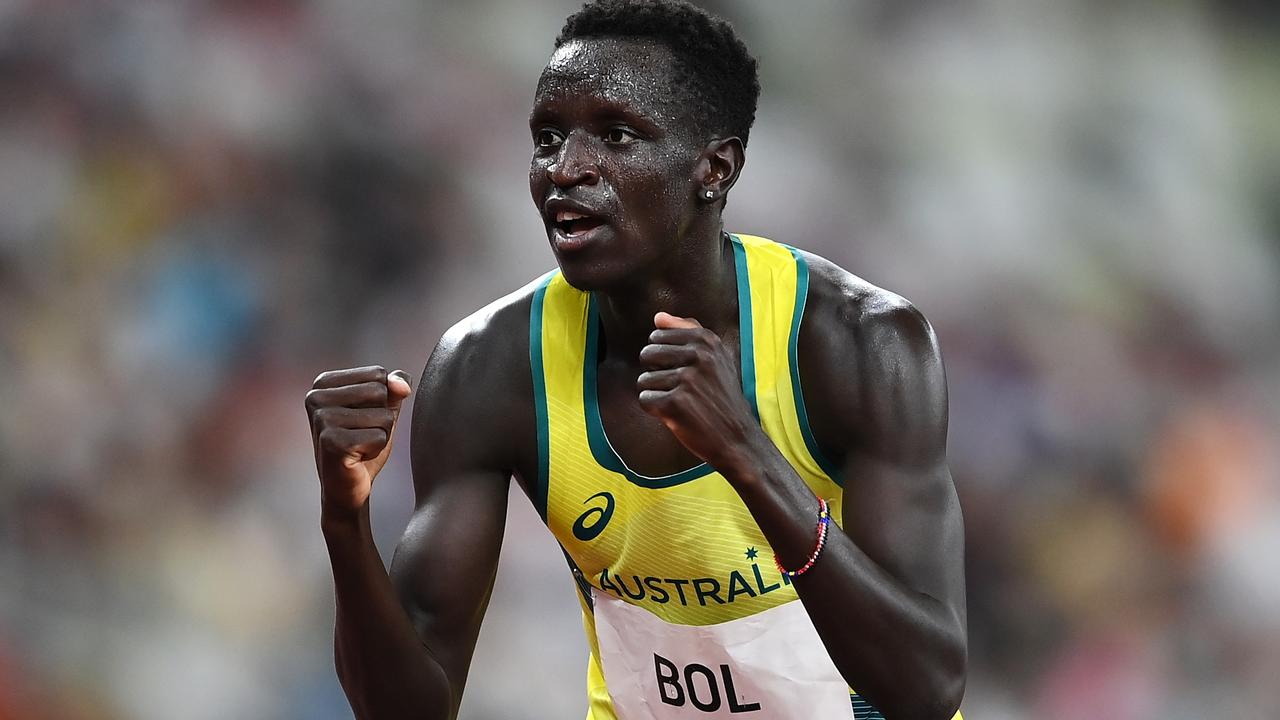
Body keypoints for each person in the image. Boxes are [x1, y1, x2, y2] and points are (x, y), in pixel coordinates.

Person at [303, 1, 966, 718]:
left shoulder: (860, 344)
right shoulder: (487, 369)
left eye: (617, 135)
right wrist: (345, 521)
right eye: (548, 137)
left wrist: (748, 454)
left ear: (715, 168)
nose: (567, 169)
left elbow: (924, 690)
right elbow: (409, 711)